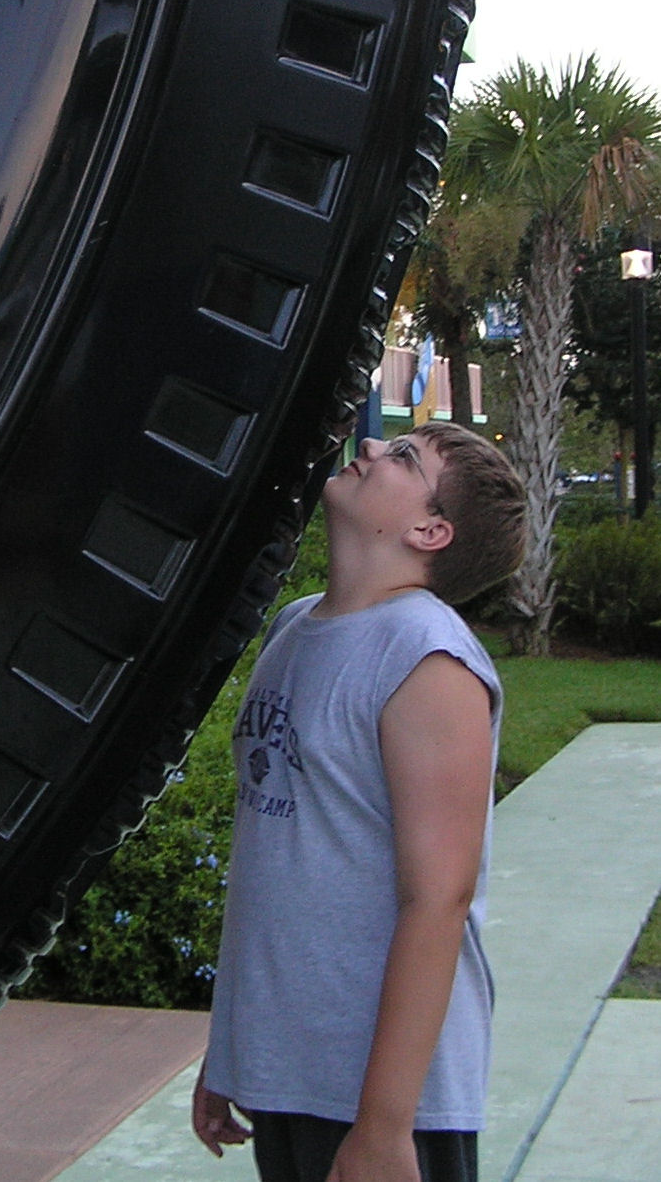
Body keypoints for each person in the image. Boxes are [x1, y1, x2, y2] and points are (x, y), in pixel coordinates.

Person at [192, 421, 527, 1182]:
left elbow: (437, 898)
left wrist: (382, 1127)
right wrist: (232, 1048)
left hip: (386, 1104)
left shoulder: (426, 657)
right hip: (291, 1075)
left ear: (429, 530)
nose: (371, 449)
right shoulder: (294, 627)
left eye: (403, 458)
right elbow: (276, 864)